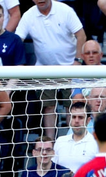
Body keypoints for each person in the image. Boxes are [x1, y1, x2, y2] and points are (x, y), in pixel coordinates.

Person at [15, 0, 87, 138]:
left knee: (71, 107)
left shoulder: (65, 10)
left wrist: (77, 61)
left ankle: (72, 140)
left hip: (70, 68)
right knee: (48, 106)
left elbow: (81, 35)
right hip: (44, 69)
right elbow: (18, 41)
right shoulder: (28, 15)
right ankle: (50, 143)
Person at [53, 102, 98, 173]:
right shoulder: (60, 141)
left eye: (80, 117)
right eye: (74, 117)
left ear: (88, 120)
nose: (76, 121)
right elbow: (52, 169)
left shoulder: (96, 143)